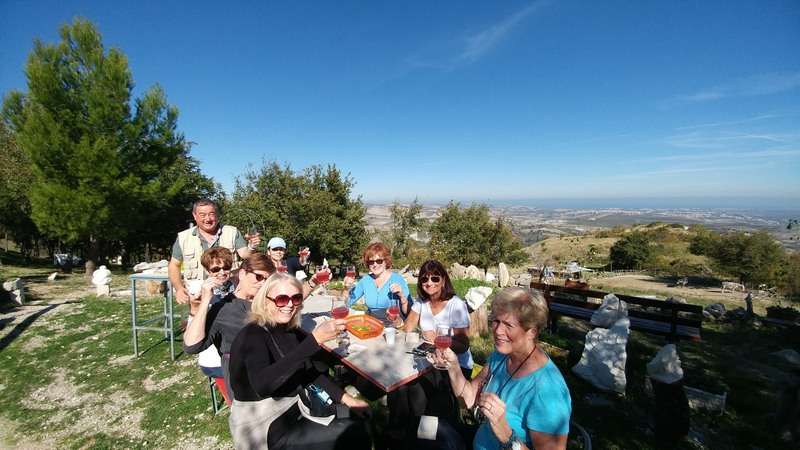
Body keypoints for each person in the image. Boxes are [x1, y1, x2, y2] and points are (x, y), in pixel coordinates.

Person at [227, 273, 372, 450]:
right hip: (264, 425)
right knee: (353, 433)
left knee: (357, 419)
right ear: (265, 300)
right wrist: (314, 340)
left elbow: (307, 373)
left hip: (294, 408)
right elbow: (263, 385)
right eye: (281, 299)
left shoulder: (289, 330)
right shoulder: (252, 335)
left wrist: (347, 399)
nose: (289, 304)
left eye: (295, 298)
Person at [432, 287, 572, 450]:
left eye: (508, 325)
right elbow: (468, 399)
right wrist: (453, 366)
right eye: (496, 321)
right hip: (477, 441)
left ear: (532, 332)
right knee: (422, 427)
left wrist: (506, 434)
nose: (498, 331)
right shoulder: (502, 356)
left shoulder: (548, 391)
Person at [183, 253, 274, 397]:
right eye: (258, 277)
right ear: (242, 274)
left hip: (273, 379)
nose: (263, 283)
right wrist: (204, 302)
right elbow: (191, 346)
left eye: (267, 280)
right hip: (246, 390)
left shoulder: (269, 304)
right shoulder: (223, 309)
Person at [168, 198, 261, 305]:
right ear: (194, 216)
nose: (208, 219)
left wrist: (252, 246)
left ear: (217, 215)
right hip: (198, 298)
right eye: (202, 215)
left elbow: (245, 254)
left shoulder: (232, 232)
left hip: (231, 295)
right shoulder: (183, 237)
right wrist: (179, 288)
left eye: (211, 214)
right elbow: (174, 265)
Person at [344, 242, 412, 317]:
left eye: (379, 261)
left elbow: (408, 313)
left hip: (392, 321)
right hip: (371, 321)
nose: (375, 264)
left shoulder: (398, 279)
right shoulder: (365, 280)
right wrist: (346, 288)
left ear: (386, 261)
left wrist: (402, 296)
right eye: (371, 262)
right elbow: (347, 303)